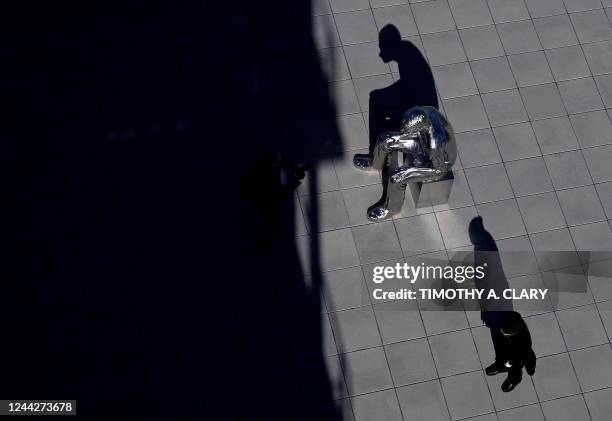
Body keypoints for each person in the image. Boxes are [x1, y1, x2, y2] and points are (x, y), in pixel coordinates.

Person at [353, 106, 456, 221]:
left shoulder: (436, 141)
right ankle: (375, 163)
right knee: (385, 139)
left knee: (398, 177)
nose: (403, 131)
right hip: (421, 141)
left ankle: (392, 208)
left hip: (436, 165)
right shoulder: (427, 111)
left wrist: (413, 168)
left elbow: (436, 168)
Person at [485, 311, 537, 392]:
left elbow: (525, 357)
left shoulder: (524, 342)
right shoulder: (507, 319)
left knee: (516, 366)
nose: (504, 334)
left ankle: (515, 378)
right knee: (500, 351)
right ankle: (500, 365)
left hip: (517, 355)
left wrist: (530, 370)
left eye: (506, 334)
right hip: (506, 345)